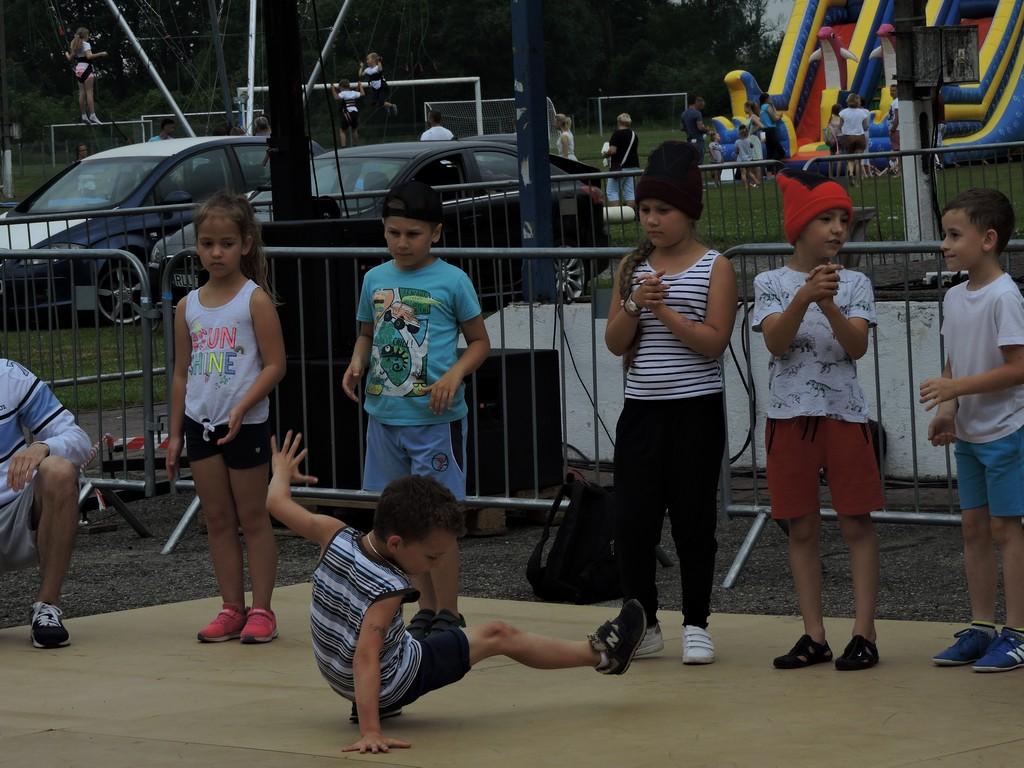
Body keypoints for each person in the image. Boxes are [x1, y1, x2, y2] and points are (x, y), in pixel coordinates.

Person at [265, 431, 646, 754]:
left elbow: (276, 502)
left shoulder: (334, 533)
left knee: (412, 636)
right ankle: (604, 655)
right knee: (497, 633)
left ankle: (373, 703)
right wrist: (371, 732)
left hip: (338, 673)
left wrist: (281, 471)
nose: (434, 564)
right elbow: (366, 657)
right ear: (396, 543)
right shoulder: (388, 588)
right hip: (391, 681)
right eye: (432, 556)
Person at [604, 141, 738, 665]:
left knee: (692, 520)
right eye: (645, 210)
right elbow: (615, 343)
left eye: (664, 209)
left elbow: (714, 342)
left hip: (694, 411)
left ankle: (697, 622)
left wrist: (664, 313)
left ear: (689, 211)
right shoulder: (631, 266)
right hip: (641, 410)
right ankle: (643, 620)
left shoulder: (714, 266)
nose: (652, 220)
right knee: (632, 522)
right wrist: (635, 304)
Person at [342, 181, 492, 641]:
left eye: (413, 233)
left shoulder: (453, 280)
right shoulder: (374, 279)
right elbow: (366, 334)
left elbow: (479, 342)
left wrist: (454, 375)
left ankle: (449, 609)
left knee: (437, 521)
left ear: (436, 233)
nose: (402, 243)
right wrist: (357, 361)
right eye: (393, 233)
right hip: (385, 418)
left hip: (435, 423)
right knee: (400, 521)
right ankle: (425, 606)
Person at [751, 170, 883, 671]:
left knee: (856, 522)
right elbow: (776, 342)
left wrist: (828, 304)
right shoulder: (769, 282)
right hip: (789, 418)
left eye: (843, 220)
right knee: (801, 527)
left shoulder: (856, 282)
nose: (838, 229)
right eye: (826, 219)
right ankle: (814, 634)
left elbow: (857, 346)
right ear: (799, 226)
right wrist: (803, 297)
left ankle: (864, 632)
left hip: (844, 416)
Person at [166, 192, 286, 644]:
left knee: (252, 517)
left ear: (245, 244)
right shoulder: (188, 306)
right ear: (197, 246)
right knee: (217, 519)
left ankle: (263, 609)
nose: (216, 253)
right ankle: (231, 607)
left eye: (227, 244)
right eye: (207, 244)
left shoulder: (255, 300)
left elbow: (275, 364)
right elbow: (181, 372)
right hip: (201, 424)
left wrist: (242, 405)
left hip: (246, 424)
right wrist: (175, 433)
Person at [921, 189, 1024, 672]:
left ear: (988, 239)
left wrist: (955, 388)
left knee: (1006, 529)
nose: (944, 244)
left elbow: (1018, 368)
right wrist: (949, 408)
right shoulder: (954, 296)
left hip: (1005, 433)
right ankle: (982, 627)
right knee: (973, 528)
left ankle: (1017, 633)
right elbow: (954, 360)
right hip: (970, 433)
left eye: (954, 234)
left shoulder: (1005, 296)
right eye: (945, 234)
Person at [0, 360, 92, 648]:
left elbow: (78, 440)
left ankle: (47, 607)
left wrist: (44, 446)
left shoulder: (9, 376)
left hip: (17, 509)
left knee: (59, 471)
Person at [65, 27, 108, 125]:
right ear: (85, 35)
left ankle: (84, 115)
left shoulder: (75, 44)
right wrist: (101, 53)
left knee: (81, 93)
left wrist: (66, 53)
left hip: (78, 70)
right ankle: (92, 114)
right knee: (89, 93)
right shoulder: (85, 44)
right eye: (88, 35)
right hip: (86, 68)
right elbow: (89, 56)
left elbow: (70, 58)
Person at [602, 113, 640, 211]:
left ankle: (617, 214)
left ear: (618, 122)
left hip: (620, 167)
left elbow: (612, 151)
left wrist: (605, 154)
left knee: (612, 191)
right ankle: (631, 214)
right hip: (633, 166)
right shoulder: (634, 134)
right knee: (630, 191)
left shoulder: (617, 134)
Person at [839, 93, 871, 185]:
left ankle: (851, 173)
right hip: (860, 137)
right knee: (858, 160)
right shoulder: (862, 112)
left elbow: (840, 125)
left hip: (848, 137)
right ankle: (858, 182)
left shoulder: (843, 112)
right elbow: (865, 127)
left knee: (850, 159)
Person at [330, 79, 364, 148]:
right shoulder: (353, 92)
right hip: (355, 113)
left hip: (347, 113)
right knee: (354, 129)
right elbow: (362, 94)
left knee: (342, 130)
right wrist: (360, 86)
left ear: (341, 87)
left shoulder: (343, 93)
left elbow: (336, 97)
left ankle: (343, 146)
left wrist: (333, 89)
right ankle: (356, 145)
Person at [759, 93, 785, 163]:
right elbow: (774, 118)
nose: (771, 99)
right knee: (781, 152)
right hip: (770, 130)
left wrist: (772, 105)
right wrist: (780, 116)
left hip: (763, 131)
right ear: (766, 99)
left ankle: (769, 168)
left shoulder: (761, 108)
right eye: (769, 98)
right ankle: (771, 164)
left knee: (770, 152)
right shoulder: (767, 106)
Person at [824, 104, 843, 177]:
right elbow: (842, 128)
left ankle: (830, 175)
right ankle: (838, 176)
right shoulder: (841, 119)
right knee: (839, 159)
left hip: (832, 140)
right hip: (840, 138)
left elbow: (828, 129)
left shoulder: (830, 119)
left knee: (831, 158)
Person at [886, 84, 901, 176]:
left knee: (898, 151)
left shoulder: (897, 102)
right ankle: (897, 169)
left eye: (894, 90)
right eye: (891, 90)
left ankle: (898, 170)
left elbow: (897, 117)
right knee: (897, 150)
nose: (892, 92)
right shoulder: (894, 101)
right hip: (894, 129)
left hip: (896, 130)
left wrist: (893, 128)